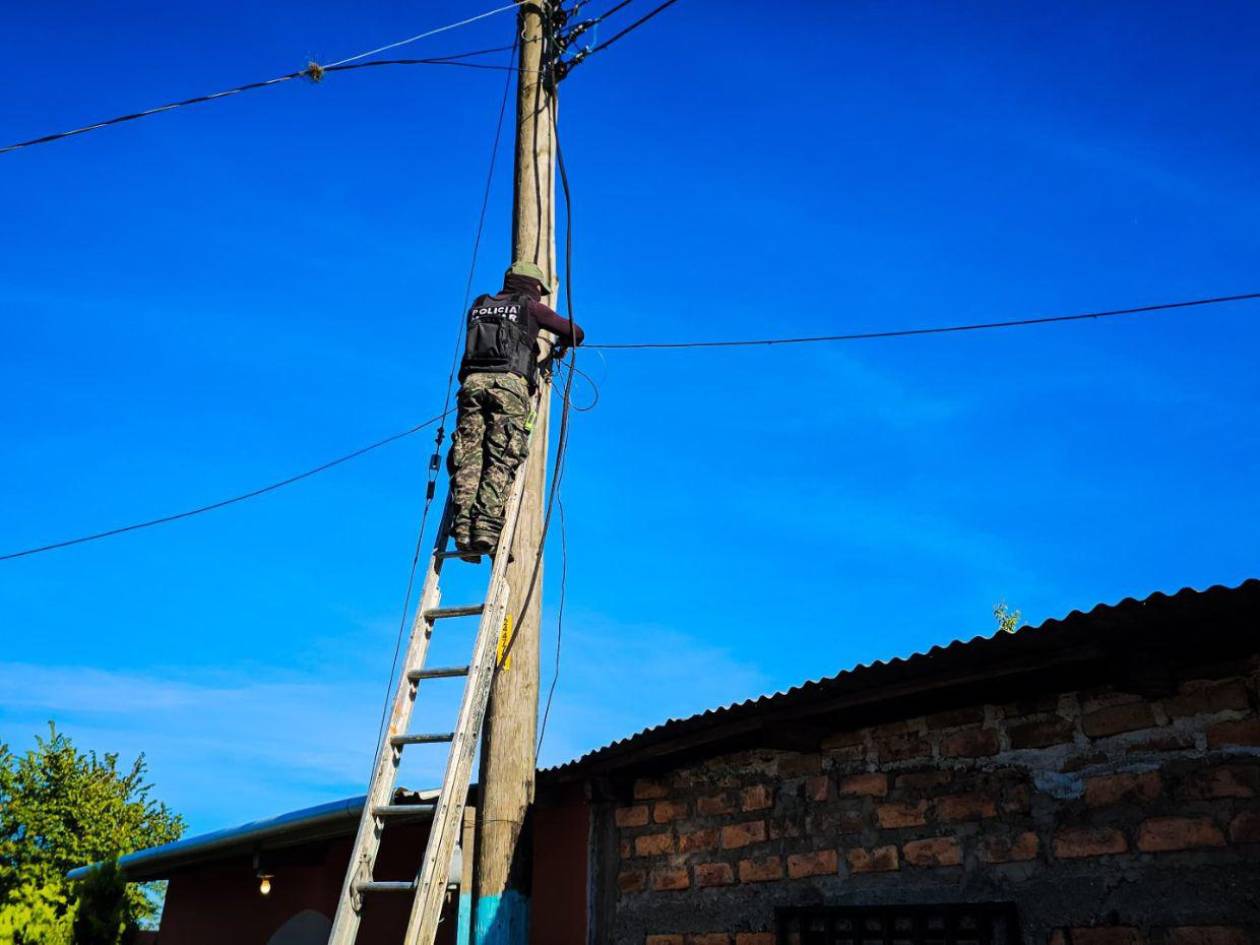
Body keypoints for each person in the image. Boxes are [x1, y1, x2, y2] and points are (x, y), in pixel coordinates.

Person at [447, 260, 584, 557]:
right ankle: (485, 529)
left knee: (469, 455)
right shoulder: (529, 306)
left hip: (471, 387)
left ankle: (462, 532)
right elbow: (575, 332)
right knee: (501, 455)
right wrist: (559, 345)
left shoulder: (480, 304)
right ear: (532, 286)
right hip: (508, 386)